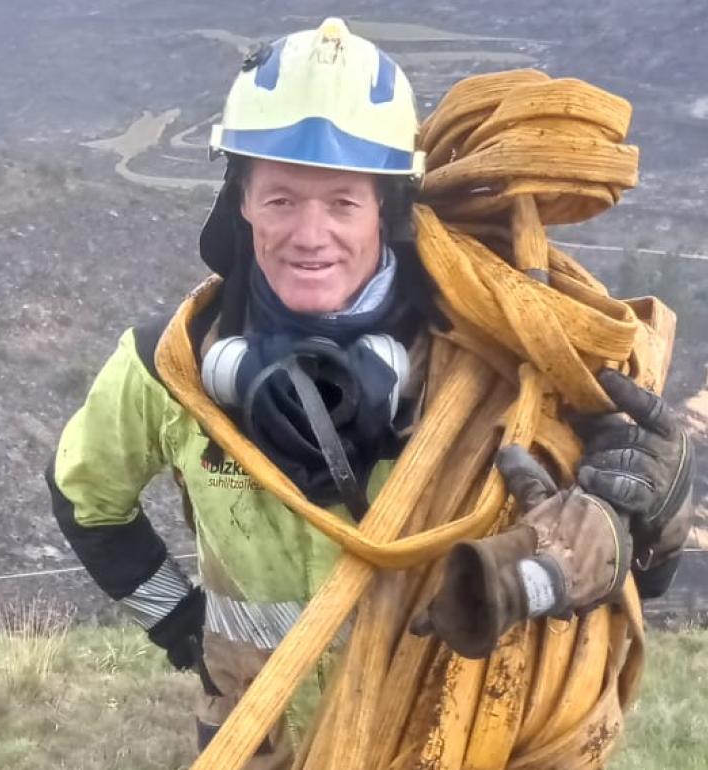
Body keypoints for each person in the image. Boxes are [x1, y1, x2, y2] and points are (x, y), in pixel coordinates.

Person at [46, 18, 693, 766]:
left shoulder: (500, 363)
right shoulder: (170, 365)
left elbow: (625, 574)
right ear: (241, 203)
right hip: (259, 739)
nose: (310, 234)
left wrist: (660, 515)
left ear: (387, 210)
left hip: (452, 741)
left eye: (342, 202)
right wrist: (182, 625)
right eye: (282, 198)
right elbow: (85, 500)